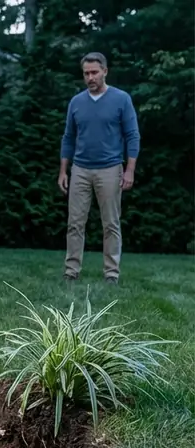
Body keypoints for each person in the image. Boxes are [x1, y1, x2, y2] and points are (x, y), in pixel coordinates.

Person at [58, 51, 140, 285]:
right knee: (75, 223)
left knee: (111, 223)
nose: (90, 77)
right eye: (86, 73)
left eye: (94, 72)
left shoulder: (121, 99)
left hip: (110, 169)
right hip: (80, 170)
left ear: (105, 71)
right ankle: (71, 271)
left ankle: (111, 274)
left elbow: (132, 135)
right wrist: (64, 171)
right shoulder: (76, 102)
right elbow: (68, 138)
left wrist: (130, 170)